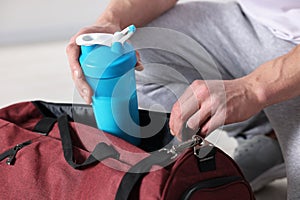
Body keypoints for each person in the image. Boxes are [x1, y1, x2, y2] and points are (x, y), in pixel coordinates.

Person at [66, 0, 300, 199]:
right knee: (134, 49)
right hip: (255, 23)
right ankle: (269, 135)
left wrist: (252, 89)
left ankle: (285, 131)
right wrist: (110, 24)